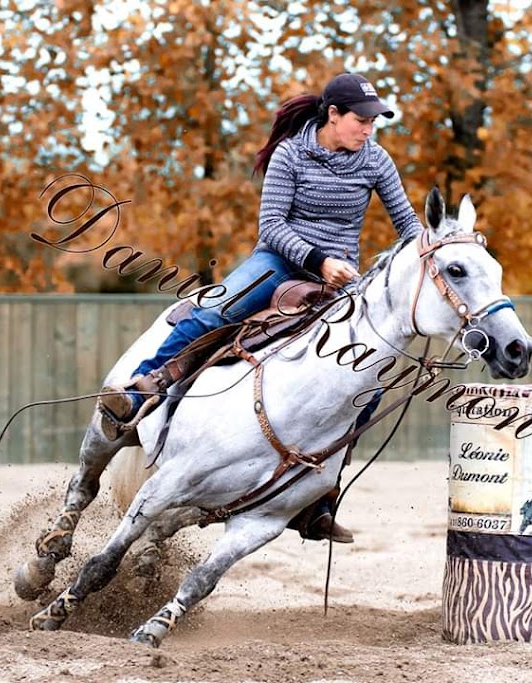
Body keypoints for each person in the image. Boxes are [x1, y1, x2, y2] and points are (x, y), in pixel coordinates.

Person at [99, 72, 424, 542]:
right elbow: (271, 226)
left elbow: (408, 225)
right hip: (279, 261)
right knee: (216, 312)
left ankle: (318, 499)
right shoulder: (291, 155)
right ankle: (142, 389)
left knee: (367, 377)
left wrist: (439, 255)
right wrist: (318, 259)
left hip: (343, 277)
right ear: (333, 116)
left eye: (373, 122)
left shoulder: (376, 160)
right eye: (362, 120)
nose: (369, 129)